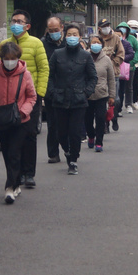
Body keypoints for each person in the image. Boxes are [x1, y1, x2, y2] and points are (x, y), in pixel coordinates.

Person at [0, 9, 48, 189]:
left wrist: (39, 94)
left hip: (30, 99)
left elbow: (43, 69)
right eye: (13, 21)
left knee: (29, 136)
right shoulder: (4, 44)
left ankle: (28, 173)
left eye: (19, 21)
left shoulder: (36, 44)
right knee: (10, 139)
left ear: (27, 26)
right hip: (7, 102)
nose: (15, 24)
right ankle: (13, 175)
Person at [0, 41, 37, 203]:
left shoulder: (25, 74)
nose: (9, 61)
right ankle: (15, 184)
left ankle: (10, 187)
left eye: (12, 58)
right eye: (6, 58)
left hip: (20, 121)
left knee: (14, 152)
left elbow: (31, 96)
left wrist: (23, 111)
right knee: (7, 153)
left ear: (17, 58)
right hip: (2, 120)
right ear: (1, 59)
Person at [47, 23, 98, 174]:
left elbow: (93, 77)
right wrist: (53, 92)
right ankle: (67, 152)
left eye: (75, 34)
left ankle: (74, 160)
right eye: (69, 34)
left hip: (78, 101)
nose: (72, 37)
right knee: (61, 132)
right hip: (60, 100)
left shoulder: (86, 56)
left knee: (75, 132)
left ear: (80, 37)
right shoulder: (57, 54)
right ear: (65, 36)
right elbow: (49, 76)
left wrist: (86, 93)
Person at [85, 34, 115, 152]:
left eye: (98, 42)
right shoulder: (84, 56)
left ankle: (99, 142)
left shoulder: (106, 59)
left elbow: (111, 79)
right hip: (87, 94)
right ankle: (91, 136)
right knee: (87, 119)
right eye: (93, 42)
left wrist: (112, 95)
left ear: (102, 45)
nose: (95, 45)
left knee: (100, 118)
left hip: (102, 94)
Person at [42, 16, 65, 163]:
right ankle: (53, 153)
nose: (54, 33)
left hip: (68, 88)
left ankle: (69, 150)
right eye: (51, 30)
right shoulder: (43, 44)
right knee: (52, 123)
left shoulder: (68, 42)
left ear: (62, 27)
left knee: (67, 123)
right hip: (50, 89)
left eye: (56, 30)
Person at [117, 21, 138, 114]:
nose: (122, 30)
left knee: (129, 86)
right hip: (116, 66)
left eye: (124, 29)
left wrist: (133, 61)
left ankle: (128, 104)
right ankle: (117, 106)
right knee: (118, 87)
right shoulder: (115, 38)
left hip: (129, 66)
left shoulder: (131, 39)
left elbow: (137, 50)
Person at [127, 19, 138, 110]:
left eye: (135, 28)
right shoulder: (125, 37)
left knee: (136, 83)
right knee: (126, 85)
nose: (134, 30)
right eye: (133, 28)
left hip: (137, 63)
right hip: (127, 63)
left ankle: (134, 101)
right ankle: (127, 102)